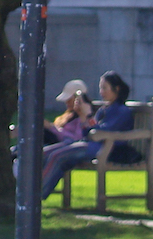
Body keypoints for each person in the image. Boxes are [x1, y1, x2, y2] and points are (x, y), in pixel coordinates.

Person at [39, 71, 137, 199]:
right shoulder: (104, 109)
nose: (101, 92)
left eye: (104, 88)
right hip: (92, 145)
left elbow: (101, 134)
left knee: (58, 156)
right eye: (100, 88)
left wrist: (89, 116)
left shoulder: (122, 111)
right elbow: (88, 132)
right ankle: (27, 192)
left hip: (108, 149)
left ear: (116, 89)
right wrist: (82, 115)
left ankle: (37, 196)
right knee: (45, 153)